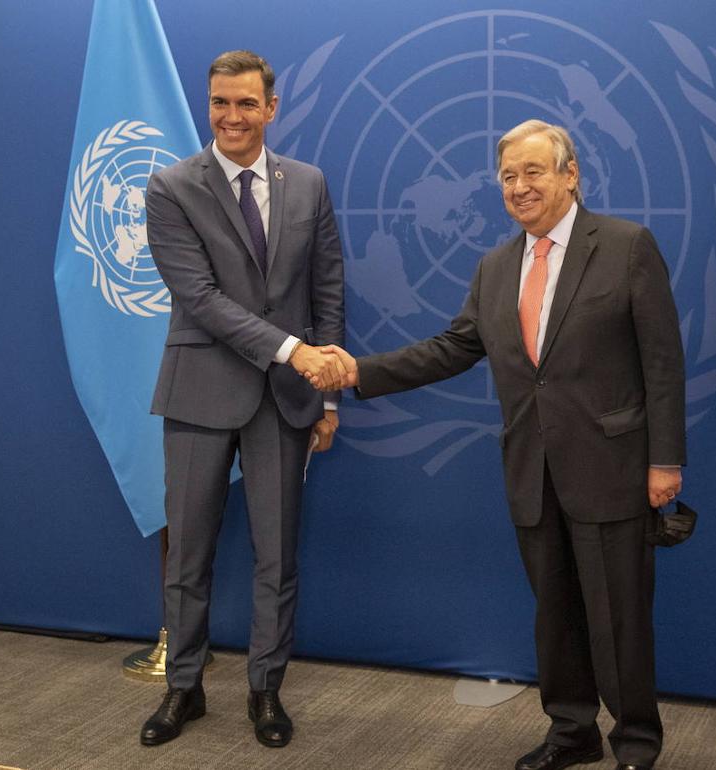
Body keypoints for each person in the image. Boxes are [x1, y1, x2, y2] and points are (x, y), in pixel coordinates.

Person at [319, 120, 685, 770]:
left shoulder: (627, 247)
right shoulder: (495, 268)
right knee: (556, 617)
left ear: (571, 175)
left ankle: (635, 745)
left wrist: (664, 460)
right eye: (509, 176)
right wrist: (358, 371)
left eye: (534, 171)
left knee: (619, 620)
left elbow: (662, 361)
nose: (520, 187)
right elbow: (454, 347)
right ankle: (571, 732)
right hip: (531, 472)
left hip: (612, 470)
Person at [138, 50, 347, 749]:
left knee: (276, 557)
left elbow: (328, 289)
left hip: (287, 401)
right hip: (200, 391)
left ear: (272, 108)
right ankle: (184, 688)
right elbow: (198, 299)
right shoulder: (170, 187)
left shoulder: (309, 184)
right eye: (220, 103)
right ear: (209, 106)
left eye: (245, 104)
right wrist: (292, 350)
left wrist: (329, 392)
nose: (231, 117)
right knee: (188, 554)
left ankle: (265, 691)